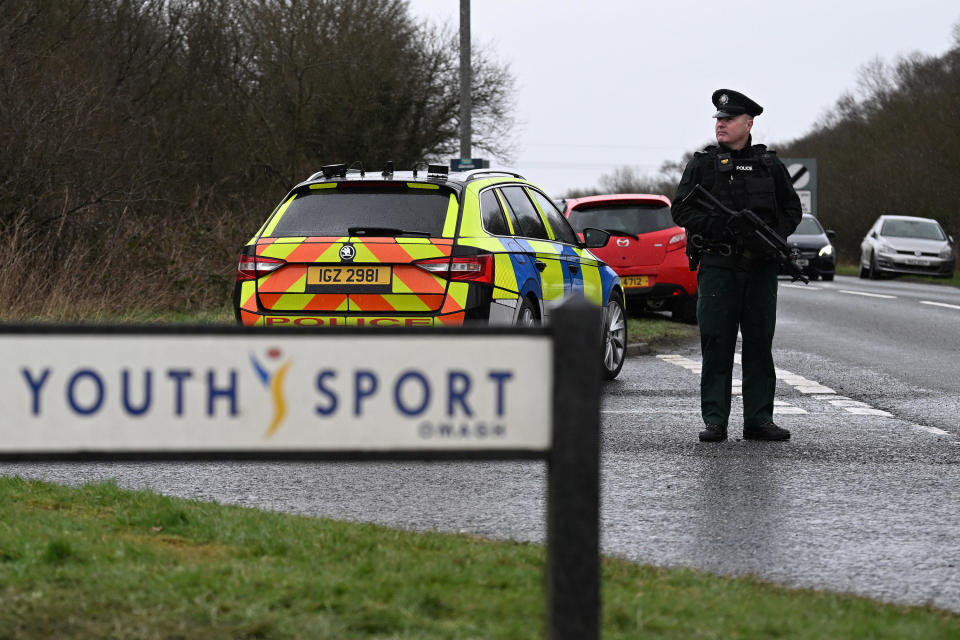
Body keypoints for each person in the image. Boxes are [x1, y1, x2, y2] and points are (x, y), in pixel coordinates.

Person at [671, 89, 802, 442]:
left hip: (760, 268)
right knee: (717, 343)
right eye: (718, 120)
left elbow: (792, 211)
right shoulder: (702, 165)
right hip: (718, 266)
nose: (721, 125)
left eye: (729, 119)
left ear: (749, 123)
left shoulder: (770, 166)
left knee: (759, 343)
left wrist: (771, 237)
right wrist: (718, 226)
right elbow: (681, 209)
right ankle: (715, 420)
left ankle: (759, 420)